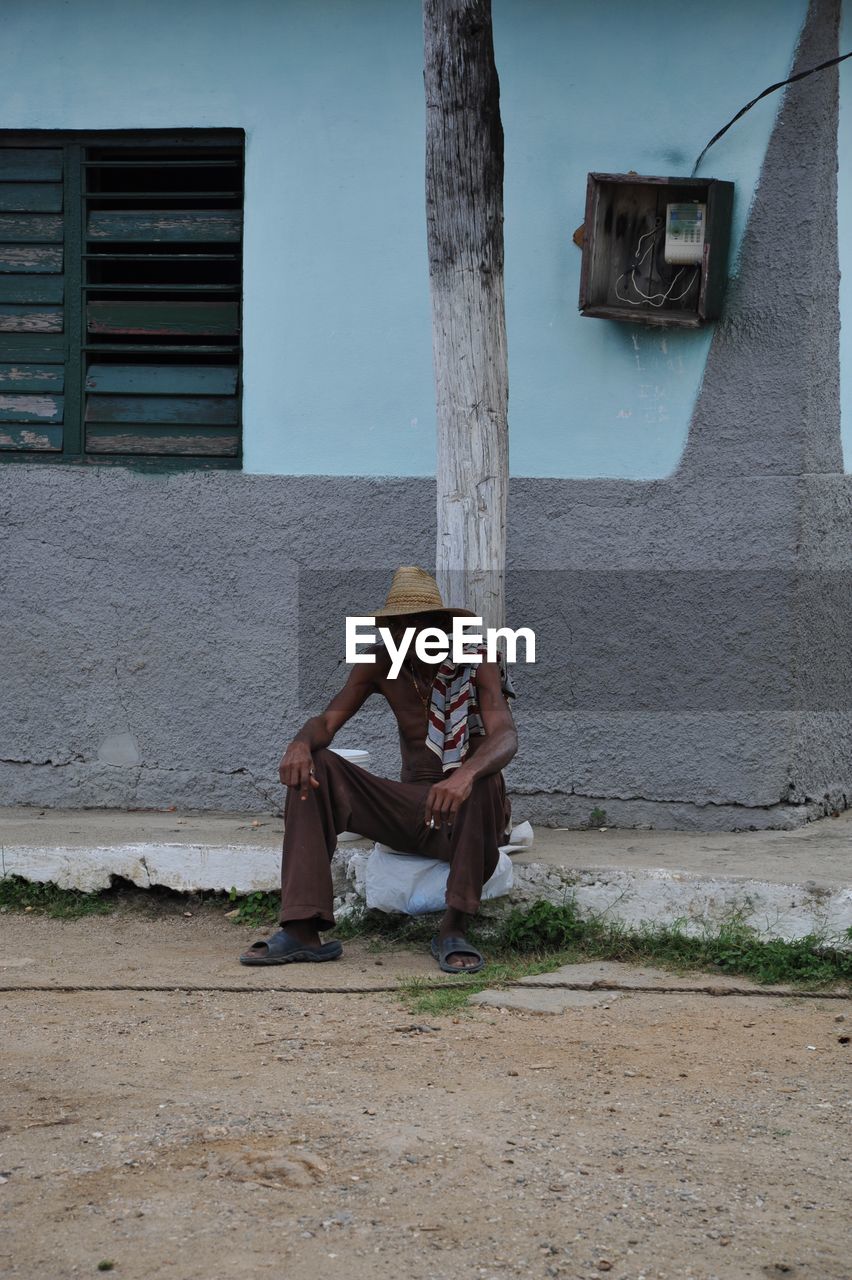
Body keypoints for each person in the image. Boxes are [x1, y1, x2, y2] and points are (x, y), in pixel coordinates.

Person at [239, 565, 519, 973]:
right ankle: (301, 929)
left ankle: (453, 929)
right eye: (399, 625)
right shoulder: (380, 663)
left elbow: (506, 736)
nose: (410, 633)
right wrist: (300, 742)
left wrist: (464, 775)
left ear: (443, 624)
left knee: (483, 778)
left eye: (421, 623)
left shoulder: (478, 662)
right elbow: (326, 723)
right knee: (316, 764)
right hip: (413, 812)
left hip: (472, 813)